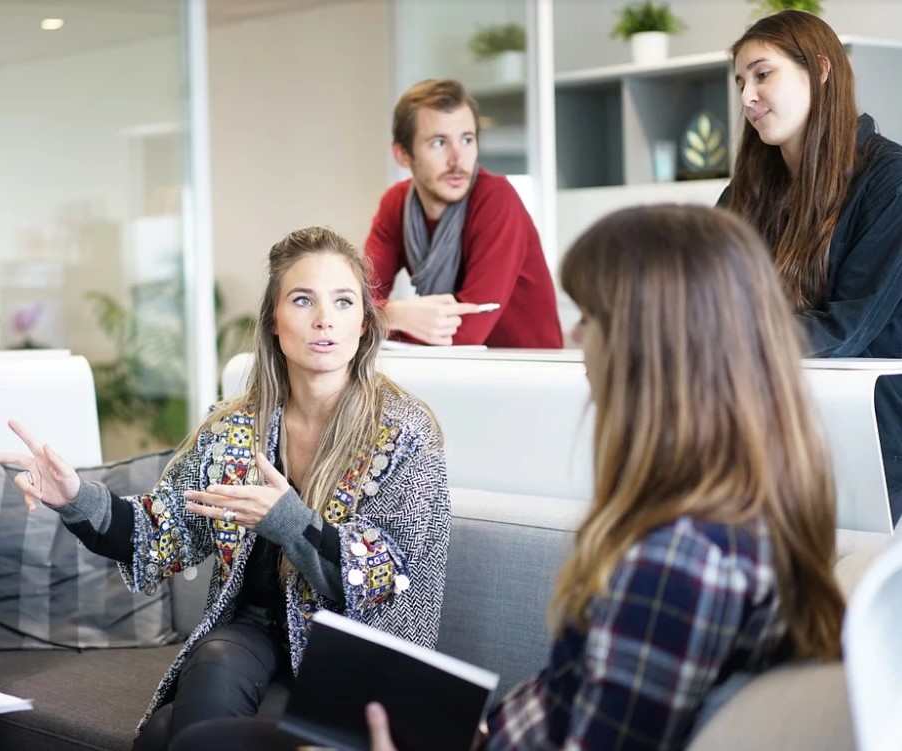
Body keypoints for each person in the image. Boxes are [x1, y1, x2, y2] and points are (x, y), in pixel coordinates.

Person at [166, 205, 846, 751]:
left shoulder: (677, 562)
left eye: (592, 317)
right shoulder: (738, 519)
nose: (577, 340)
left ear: (654, 348)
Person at [0, 226, 451, 750]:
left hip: (353, 653)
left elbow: (391, 578)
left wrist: (288, 520)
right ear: (274, 323)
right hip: (253, 631)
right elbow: (159, 531)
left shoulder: (405, 432)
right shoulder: (234, 428)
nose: (324, 318)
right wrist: (77, 498)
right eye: (303, 300)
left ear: (364, 324)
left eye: (343, 301)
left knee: (170, 735)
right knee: (212, 665)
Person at [721, 9, 902, 523]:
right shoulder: (747, 191)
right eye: (740, 82)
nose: (747, 97)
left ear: (820, 70)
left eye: (762, 74)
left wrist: (725, 337)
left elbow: (846, 330)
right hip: (772, 429)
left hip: (872, 438)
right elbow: (702, 290)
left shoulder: (890, 181)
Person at [364, 78, 563, 348]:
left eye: (467, 140)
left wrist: (379, 320)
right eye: (439, 143)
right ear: (402, 155)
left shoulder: (496, 199)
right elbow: (354, 302)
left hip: (526, 374)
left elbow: (466, 333)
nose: (458, 160)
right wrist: (394, 314)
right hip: (454, 371)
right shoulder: (396, 204)